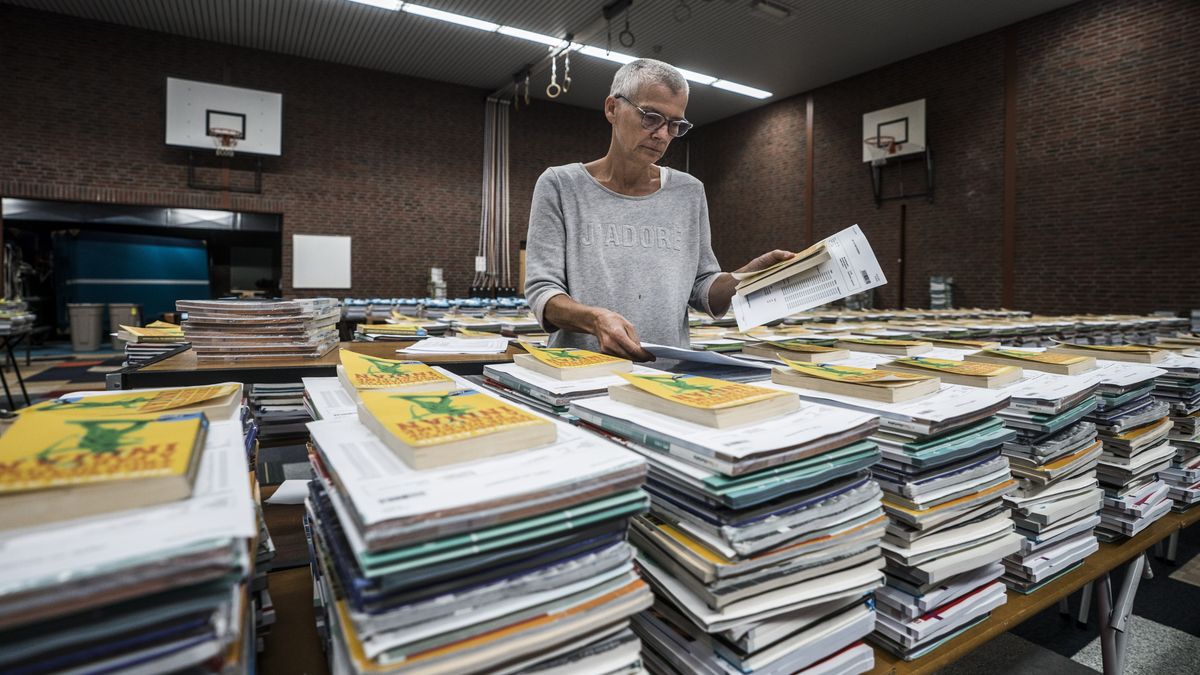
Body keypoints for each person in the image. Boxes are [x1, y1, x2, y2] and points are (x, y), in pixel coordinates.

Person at [524, 58, 792, 361]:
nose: (663, 135)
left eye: (675, 125)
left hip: (667, 377)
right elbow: (543, 291)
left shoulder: (689, 192)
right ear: (612, 108)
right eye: (650, 118)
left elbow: (702, 289)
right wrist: (594, 319)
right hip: (580, 373)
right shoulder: (561, 185)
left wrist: (749, 276)